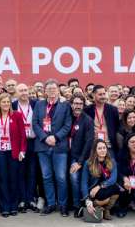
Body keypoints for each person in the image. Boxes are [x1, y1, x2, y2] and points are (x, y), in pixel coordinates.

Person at [34, 80, 71, 216]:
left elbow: (68, 125)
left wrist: (56, 137)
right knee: (46, 176)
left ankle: (63, 205)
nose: (51, 91)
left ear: (58, 90)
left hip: (59, 146)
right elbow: (35, 123)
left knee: (61, 177)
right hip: (43, 146)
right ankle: (50, 204)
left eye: (54, 88)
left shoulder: (65, 105)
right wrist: (45, 137)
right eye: (49, 89)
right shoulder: (39, 104)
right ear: (45, 91)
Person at [0, 93, 27, 217]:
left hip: (14, 151)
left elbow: (23, 134)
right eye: (3, 102)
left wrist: (22, 150)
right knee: (2, 179)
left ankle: (13, 206)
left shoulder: (16, 115)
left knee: (13, 178)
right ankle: (4, 207)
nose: (6, 104)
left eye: (7, 102)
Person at [13, 83, 39, 213]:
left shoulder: (36, 104)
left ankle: (31, 199)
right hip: (19, 144)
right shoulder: (13, 106)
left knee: (32, 172)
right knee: (20, 171)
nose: (24, 92)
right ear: (16, 93)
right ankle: (22, 199)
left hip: (34, 142)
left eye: (25, 90)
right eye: (21, 91)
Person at [67, 95, 94, 217]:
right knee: (68, 180)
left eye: (80, 104)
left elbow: (89, 142)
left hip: (81, 157)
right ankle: (72, 203)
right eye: (75, 103)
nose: (77, 106)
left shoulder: (87, 120)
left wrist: (80, 162)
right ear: (71, 104)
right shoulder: (68, 117)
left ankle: (79, 205)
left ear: (83, 105)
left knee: (76, 179)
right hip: (66, 154)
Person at [80, 139, 120, 221]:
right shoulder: (88, 163)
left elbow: (113, 179)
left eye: (104, 148)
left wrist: (99, 186)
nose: (102, 150)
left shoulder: (111, 161)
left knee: (117, 188)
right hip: (93, 192)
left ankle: (104, 208)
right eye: (99, 148)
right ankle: (95, 204)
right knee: (104, 193)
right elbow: (84, 183)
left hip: (104, 188)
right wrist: (87, 200)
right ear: (95, 150)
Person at [84, 85, 121, 154]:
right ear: (93, 95)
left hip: (109, 146)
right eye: (100, 94)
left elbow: (117, 127)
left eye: (104, 94)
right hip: (93, 147)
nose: (103, 96)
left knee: (113, 164)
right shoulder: (87, 110)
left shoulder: (113, 109)